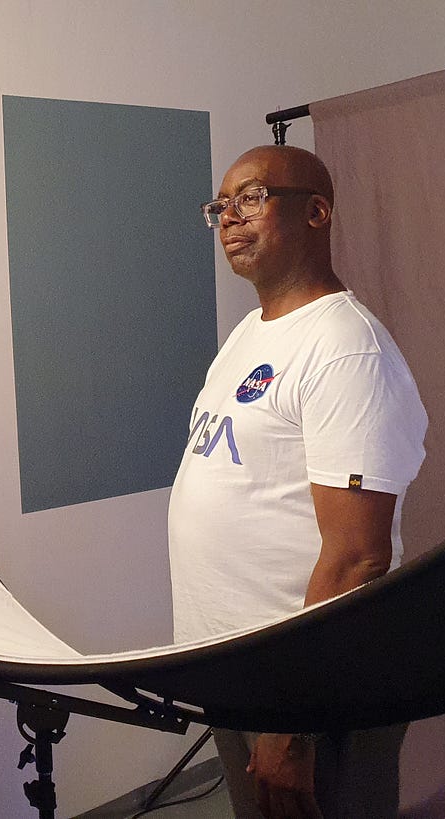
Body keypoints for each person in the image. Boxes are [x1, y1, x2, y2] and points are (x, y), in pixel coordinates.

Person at [167, 145, 427, 819]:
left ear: (316, 212)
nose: (229, 217)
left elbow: (357, 556)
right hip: (239, 671)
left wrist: (292, 722)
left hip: (312, 692)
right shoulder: (250, 334)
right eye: (219, 206)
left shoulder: (346, 347)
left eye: (251, 198)